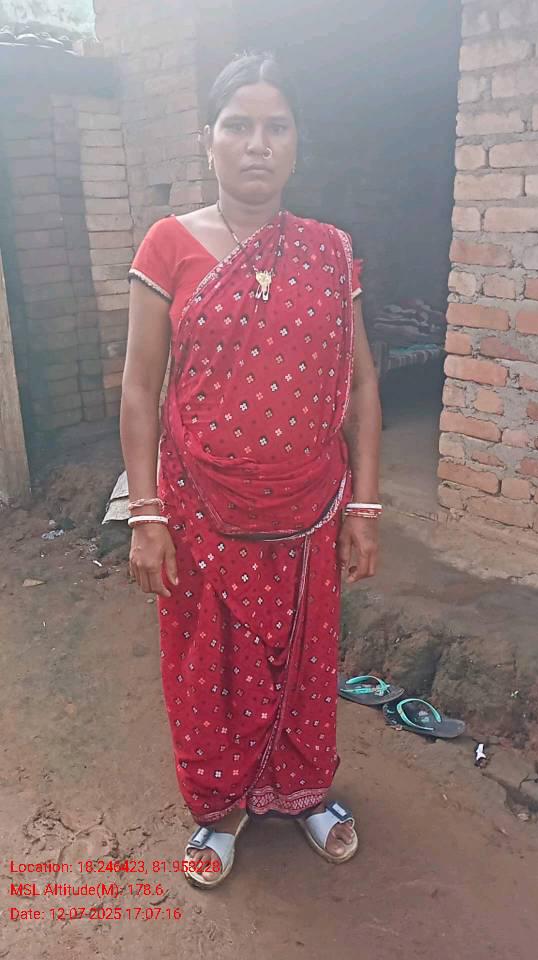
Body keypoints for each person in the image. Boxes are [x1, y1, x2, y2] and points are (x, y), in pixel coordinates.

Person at [120, 52, 382, 888]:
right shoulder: (168, 245)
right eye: (238, 125)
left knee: (305, 660)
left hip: (311, 507)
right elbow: (139, 387)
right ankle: (222, 807)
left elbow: (361, 384)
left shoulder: (329, 252)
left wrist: (365, 506)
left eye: (276, 127)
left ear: (297, 144)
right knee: (211, 665)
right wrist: (145, 513)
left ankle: (303, 791)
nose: (257, 144)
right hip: (200, 509)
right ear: (209, 139)